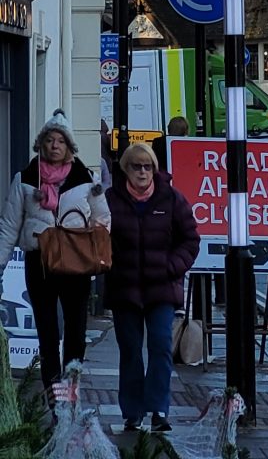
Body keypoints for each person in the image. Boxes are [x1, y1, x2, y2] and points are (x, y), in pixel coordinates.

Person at [0, 110, 110, 406]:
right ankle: (54, 401)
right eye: (49, 140)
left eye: (61, 141)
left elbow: (103, 219)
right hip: (41, 264)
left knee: (76, 331)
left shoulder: (85, 179)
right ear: (41, 144)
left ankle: (71, 391)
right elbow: (10, 225)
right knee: (47, 333)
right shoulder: (24, 179)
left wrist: (90, 244)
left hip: (76, 263)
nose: (55, 145)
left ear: (70, 147)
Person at [105, 142, 200, 434]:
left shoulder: (171, 198)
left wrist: (171, 268)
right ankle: (132, 412)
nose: (143, 172)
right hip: (126, 288)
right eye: (136, 166)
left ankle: (159, 408)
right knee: (130, 351)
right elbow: (99, 238)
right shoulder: (111, 199)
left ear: (155, 169)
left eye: (148, 166)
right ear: (126, 170)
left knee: (160, 347)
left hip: (161, 289)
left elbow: (191, 240)